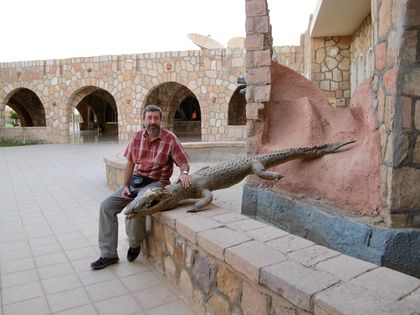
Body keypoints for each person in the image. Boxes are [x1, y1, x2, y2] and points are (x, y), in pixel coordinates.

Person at [91, 104, 191, 270]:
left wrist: (184, 173)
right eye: (149, 118)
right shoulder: (137, 137)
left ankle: (135, 243)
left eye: (156, 118)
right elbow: (130, 163)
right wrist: (125, 186)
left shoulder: (170, 139)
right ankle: (108, 255)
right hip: (136, 180)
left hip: (156, 183)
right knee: (106, 206)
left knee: (136, 207)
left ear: (160, 120)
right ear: (144, 120)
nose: (153, 121)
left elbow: (183, 162)